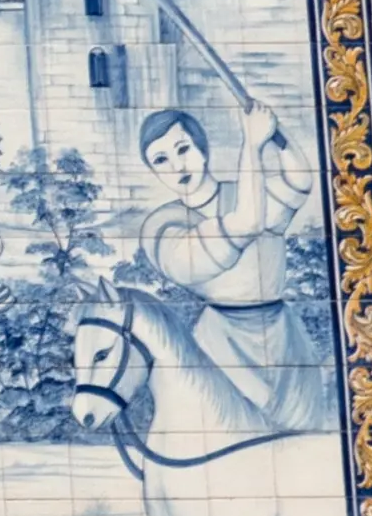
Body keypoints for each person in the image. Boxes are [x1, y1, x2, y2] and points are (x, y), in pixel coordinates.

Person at [131, 97, 334, 439]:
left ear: (202, 148)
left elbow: (299, 180)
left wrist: (274, 133)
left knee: (303, 442)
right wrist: (252, 145)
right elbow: (247, 221)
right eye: (160, 160)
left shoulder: (245, 190)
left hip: (284, 340)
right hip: (220, 348)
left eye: (183, 149)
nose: (177, 166)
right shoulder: (161, 227)